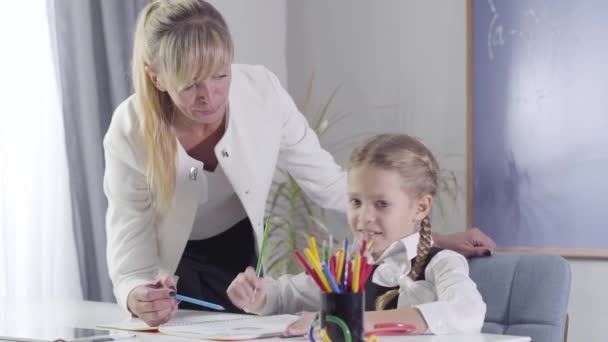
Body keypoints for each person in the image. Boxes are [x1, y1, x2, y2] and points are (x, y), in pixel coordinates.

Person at [103, 0, 495, 327]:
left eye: (221, 74)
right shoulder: (129, 131)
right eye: (190, 84)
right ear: (156, 78)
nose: (211, 95)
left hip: (236, 253)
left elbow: (333, 186)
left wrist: (423, 236)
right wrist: (137, 295)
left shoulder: (262, 93)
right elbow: (130, 256)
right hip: (169, 267)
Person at [227, 134, 487, 335]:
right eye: (355, 202)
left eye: (381, 204)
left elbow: (467, 311)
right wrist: (258, 296)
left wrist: (352, 321)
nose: (364, 217)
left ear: (420, 207)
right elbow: (287, 295)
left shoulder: (441, 263)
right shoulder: (347, 266)